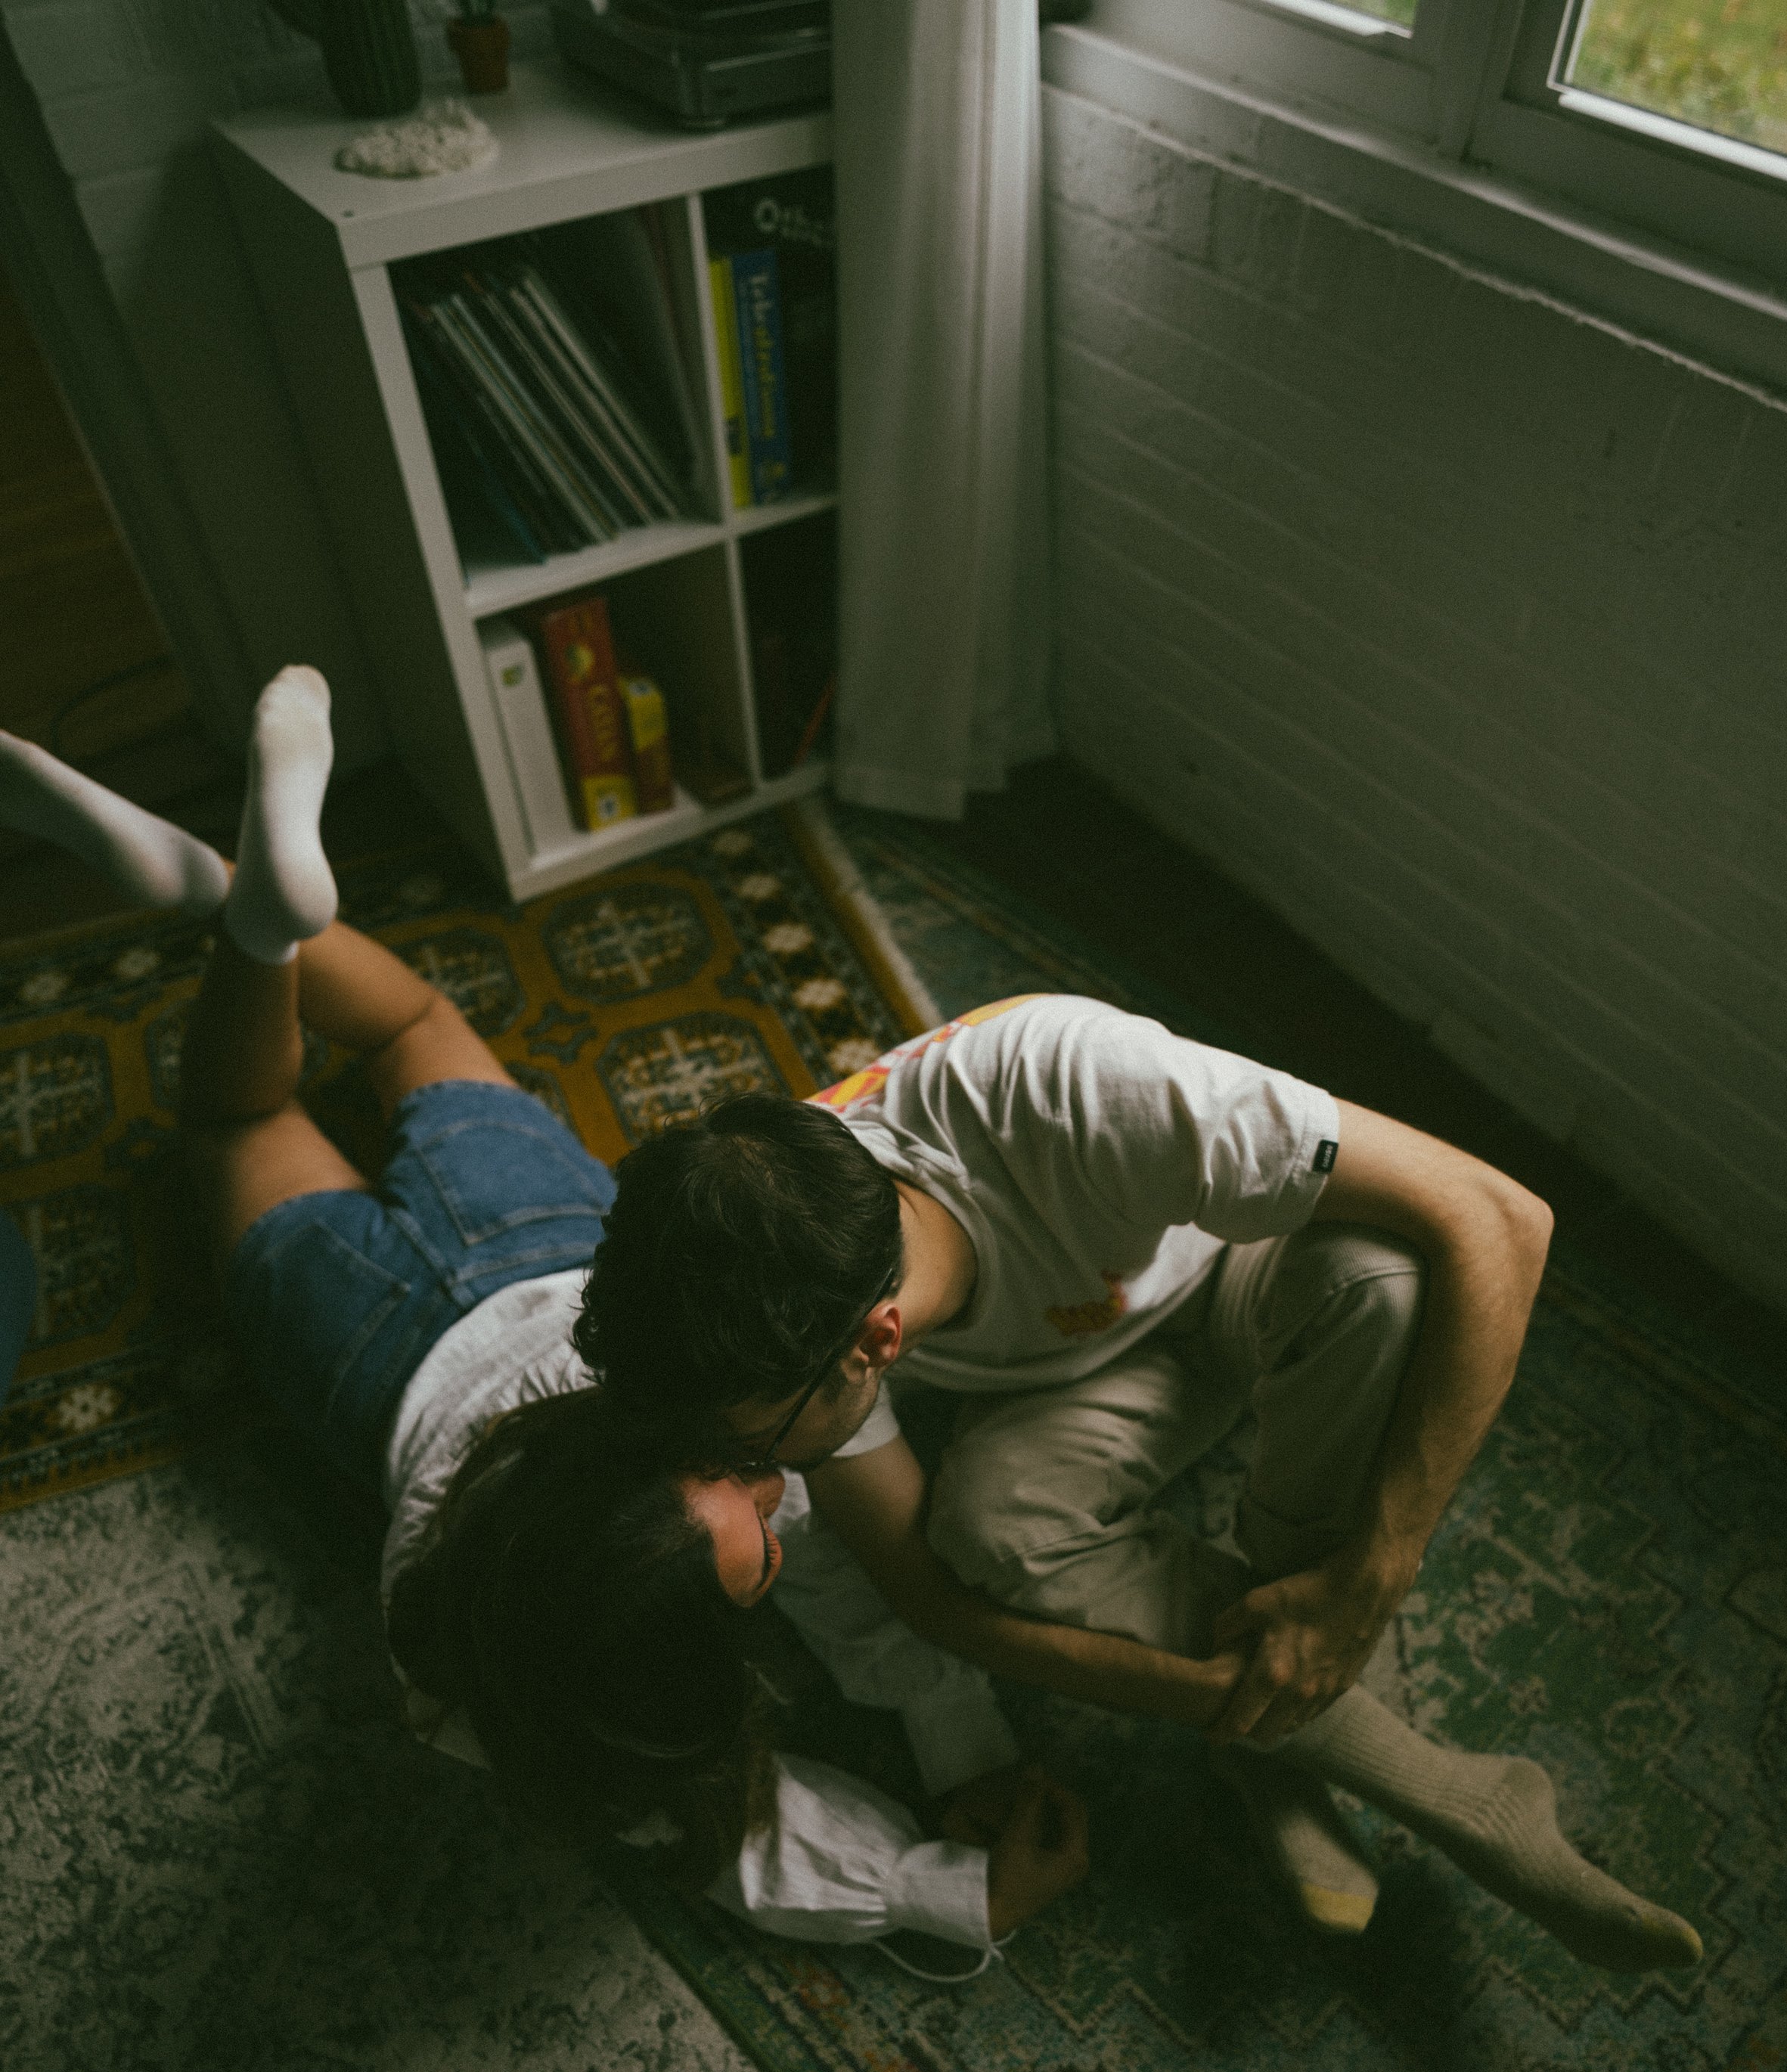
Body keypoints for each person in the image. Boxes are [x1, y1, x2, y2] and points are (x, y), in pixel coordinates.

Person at [0, 672, 1105, 1965]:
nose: (781, 1504)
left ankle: (253, 908)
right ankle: (242, 914)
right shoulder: (485, 1681)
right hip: (403, 1340)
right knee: (319, 1077)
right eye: (762, 1522)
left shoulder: (703, 1455)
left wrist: (948, 1833)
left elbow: (746, 1806)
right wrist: (943, 1828)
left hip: (497, 1276)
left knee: (326, 1068)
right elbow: (720, 1825)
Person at [573, 997, 1706, 1977]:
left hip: (1232, 1276)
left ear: (876, 1341)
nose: (759, 1482)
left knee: (1383, 1283)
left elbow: (1503, 1218)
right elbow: (930, 1600)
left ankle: (1304, 1677)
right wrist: (1227, 1701)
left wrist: (1370, 1578)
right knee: (985, 1526)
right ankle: (1414, 1776)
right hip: (1074, 1393)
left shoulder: (1070, 1083)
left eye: (762, 1446)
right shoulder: (775, 1274)